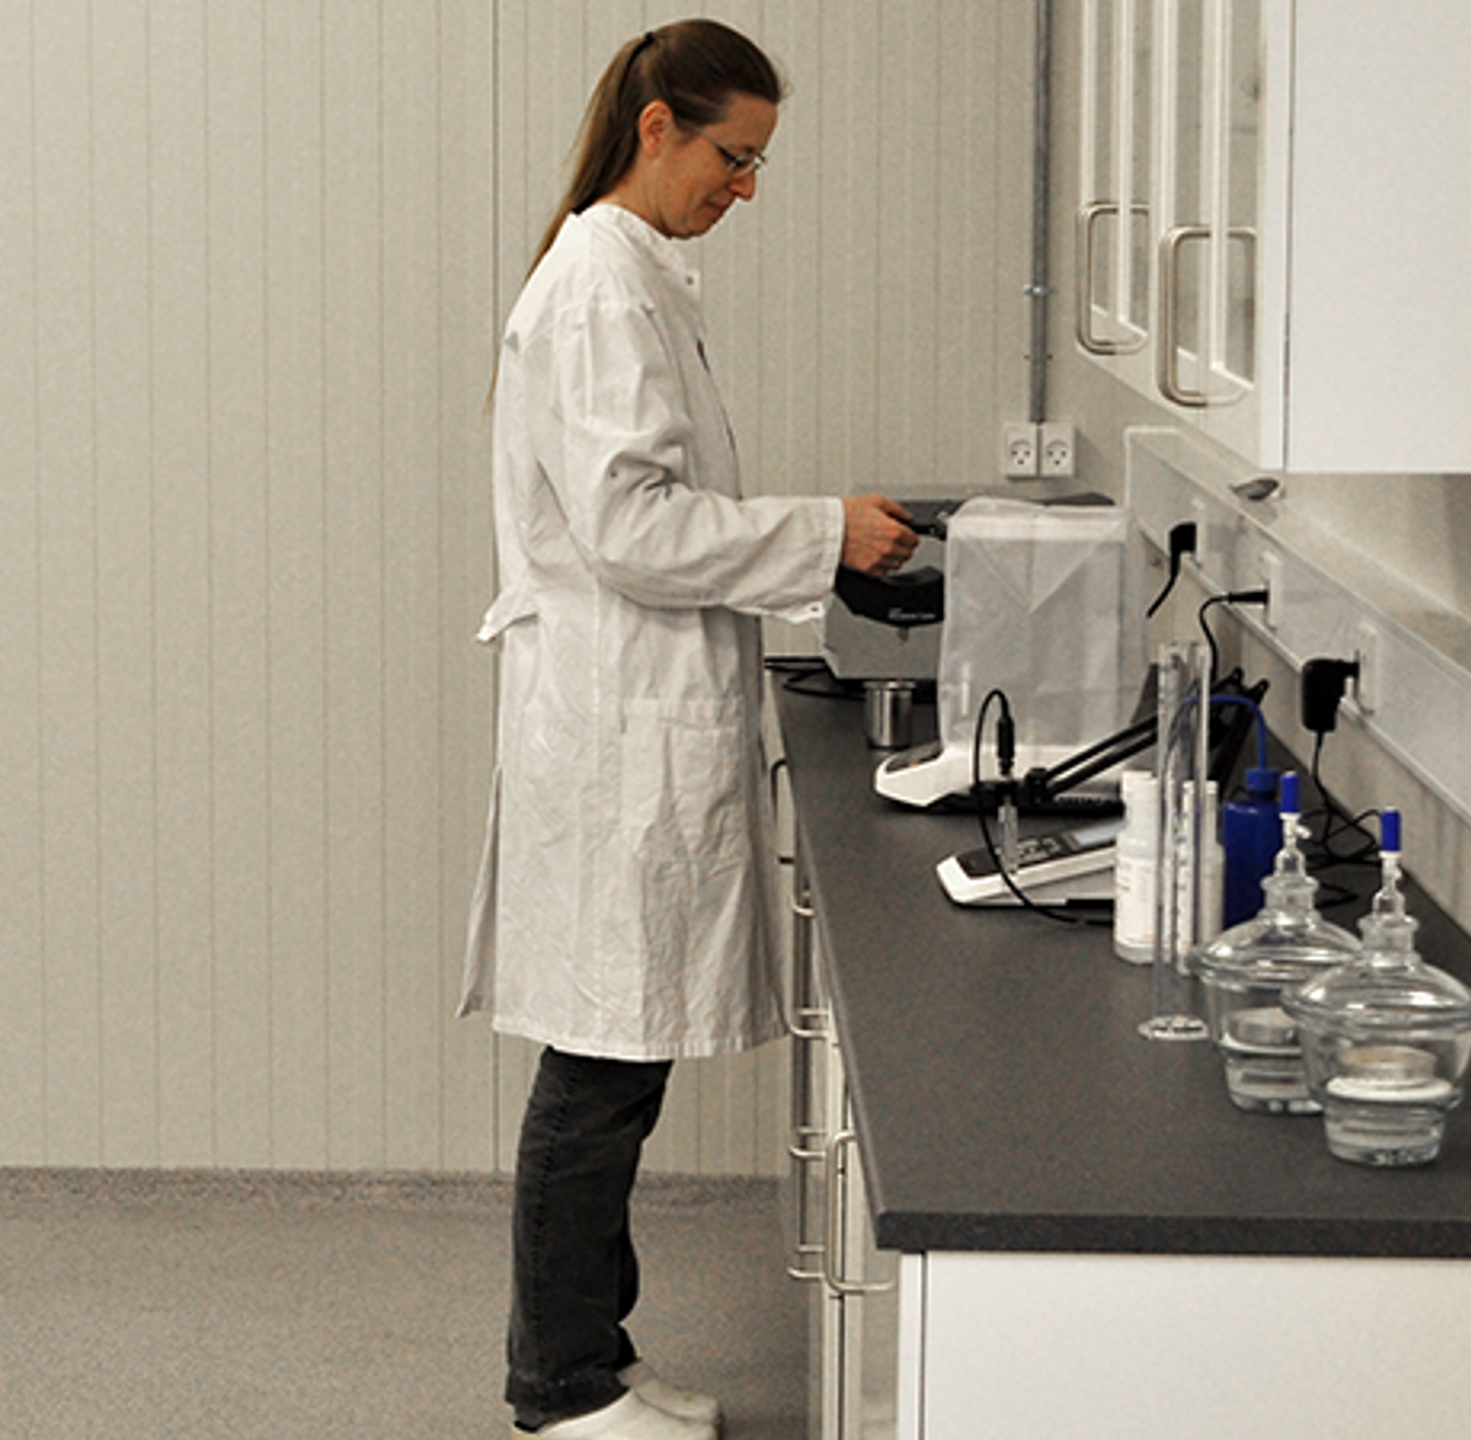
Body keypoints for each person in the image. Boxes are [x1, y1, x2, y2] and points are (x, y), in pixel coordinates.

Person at [460, 19, 917, 1440]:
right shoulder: (601, 283)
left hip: (628, 709)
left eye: (760, 161)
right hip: (611, 722)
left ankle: (594, 1355)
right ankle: (560, 1389)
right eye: (735, 154)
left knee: (617, 1065)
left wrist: (813, 540)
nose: (748, 185)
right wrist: (822, 533)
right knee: (598, 1075)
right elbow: (630, 528)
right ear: (658, 126)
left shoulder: (636, 275)